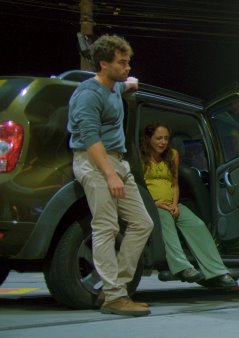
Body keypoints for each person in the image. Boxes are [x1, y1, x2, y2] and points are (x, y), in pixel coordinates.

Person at [67, 34, 153, 316]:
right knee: (106, 228)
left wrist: (131, 82)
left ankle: (115, 286)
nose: (127, 67)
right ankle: (115, 297)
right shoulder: (88, 94)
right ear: (103, 64)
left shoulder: (114, 86)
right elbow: (90, 138)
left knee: (143, 223)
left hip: (118, 162)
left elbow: (128, 83)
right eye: (122, 63)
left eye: (128, 62)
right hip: (95, 163)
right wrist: (110, 175)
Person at [140, 123, 237, 289]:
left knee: (197, 224)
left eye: (165, 138)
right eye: (158, 138)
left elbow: (175, 183)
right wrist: (155, 203)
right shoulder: (140, 156)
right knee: (165, 220)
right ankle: (183, 268)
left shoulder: (172, 154)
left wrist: (175, 204)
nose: (163, 142)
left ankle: (218, 271)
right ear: (148, 139)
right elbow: (137, 184)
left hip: (171, 203)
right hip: (151, 204)